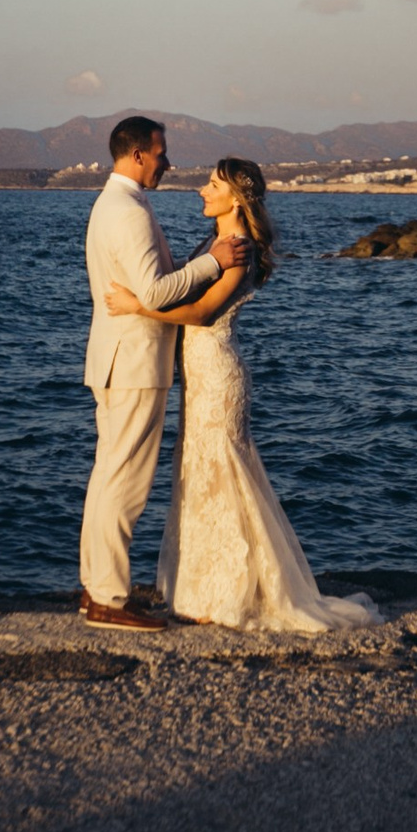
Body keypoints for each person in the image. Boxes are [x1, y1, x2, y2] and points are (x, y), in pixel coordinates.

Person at [106, 155, 379, 632]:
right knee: (199, 473)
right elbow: (180, 287)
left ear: (235, 198)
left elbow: (203, 313)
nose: (202, 190)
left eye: (213, 185)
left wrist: (137, 306)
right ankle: (199, 589)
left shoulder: (240, 249)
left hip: (218, 373)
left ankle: (229, 594)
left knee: (222, 473)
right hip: (198, 374)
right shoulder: (212, 244)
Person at [78, 115, 252, 630]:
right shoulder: (128, 211)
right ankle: (108, 600)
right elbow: (153, 293)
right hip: (134, 362)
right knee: (125, 484)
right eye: (161, 154)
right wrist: (213, 260)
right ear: (137, 156)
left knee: (109, 477)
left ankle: (96, 589)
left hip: (118, 359)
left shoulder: (114, 204)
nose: (168, 163)